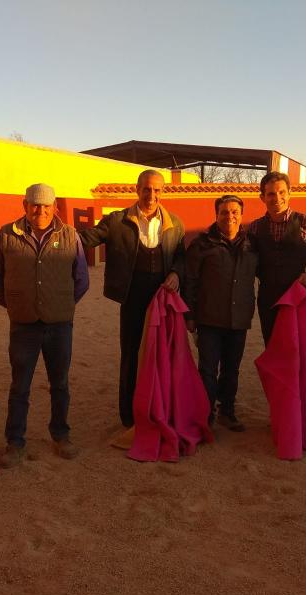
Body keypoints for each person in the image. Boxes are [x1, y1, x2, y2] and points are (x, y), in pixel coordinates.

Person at [0, 183, 89, 467]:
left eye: (46, 205)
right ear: (25, 205)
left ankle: (61, 435)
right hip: (23, 326)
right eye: (35, 205)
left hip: (59, 325)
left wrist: (60, 305)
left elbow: (81, 279)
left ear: (55, 207)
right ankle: (15, 442)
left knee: (60, 383)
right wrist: (17, 305)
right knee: (20, 385)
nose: (40, 211)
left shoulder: (70, 236)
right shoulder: (7, 235)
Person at [79, 169, 185, 438]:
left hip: (162, 296)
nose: (152, 195)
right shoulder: (117, 220)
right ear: (137, 189)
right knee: (130, 352)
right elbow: (86, 240)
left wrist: (175, 273)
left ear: (163, 192)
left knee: (161, 352)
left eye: (157, 190)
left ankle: (159, 407)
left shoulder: (175, 223)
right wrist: (58, 233)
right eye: (147, 189)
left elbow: (182, 259)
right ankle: (128, 413)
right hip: (131, 295)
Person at [183, 195, 257, 432]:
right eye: (224, 212)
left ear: (241, 215)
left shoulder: (252, 244)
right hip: (209, 318)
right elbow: (190, 281)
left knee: (231, 369)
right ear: (216, 215)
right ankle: (205, 416)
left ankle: (227, 411)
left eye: (234, 211)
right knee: (207, 369)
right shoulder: (201, 244)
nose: (229, 216)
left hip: (239, 317)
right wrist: (190, 315)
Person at [249, 171, 306, 345]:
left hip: (297, 294)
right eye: (271, 194)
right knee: (272, 346)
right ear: (262, 197)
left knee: (298, 346)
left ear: (289, 193)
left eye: (282, 192)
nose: (277, 197)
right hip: (267, 296)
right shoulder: (255, 227)